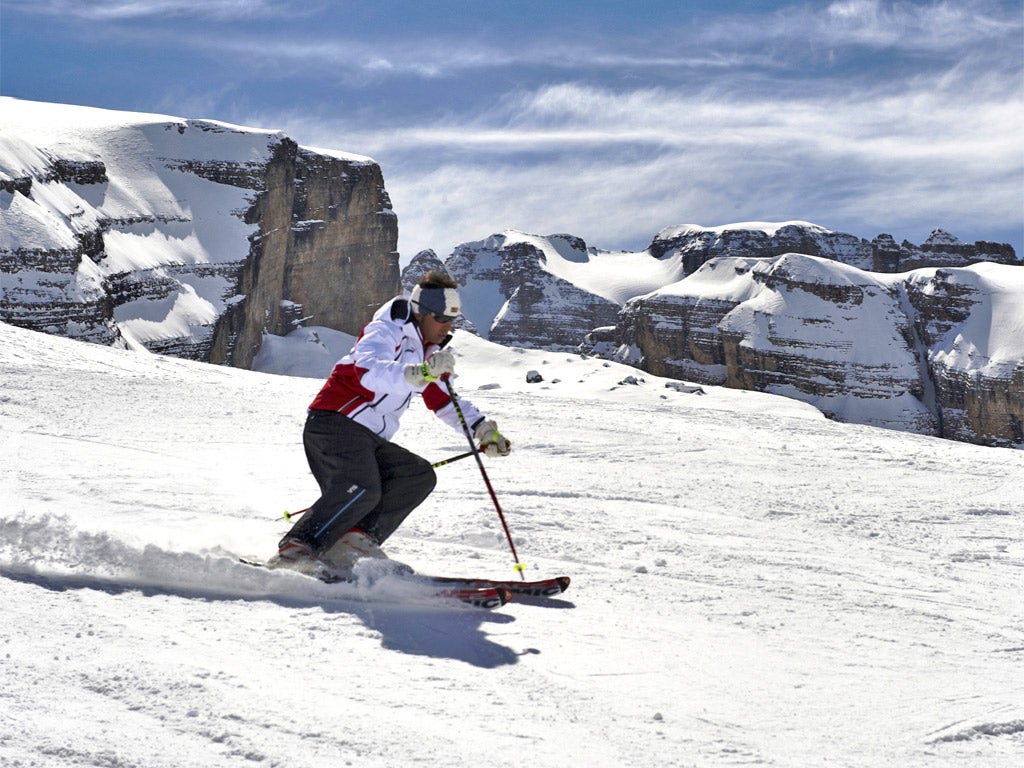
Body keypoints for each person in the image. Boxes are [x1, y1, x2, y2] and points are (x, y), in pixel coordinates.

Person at [273, 270, 511, 575]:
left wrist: (482, 429)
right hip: (335, 422)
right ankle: (297, 550)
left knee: (416, 475)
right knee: (361, 487)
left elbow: (442, 399)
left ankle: (352, 545)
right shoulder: (388, 328)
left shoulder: (429, 351)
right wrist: (422, 373)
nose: (447, 326)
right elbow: (369, 370)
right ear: (422, 312)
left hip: (368, 437)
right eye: (441, 318)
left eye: (452, 320)